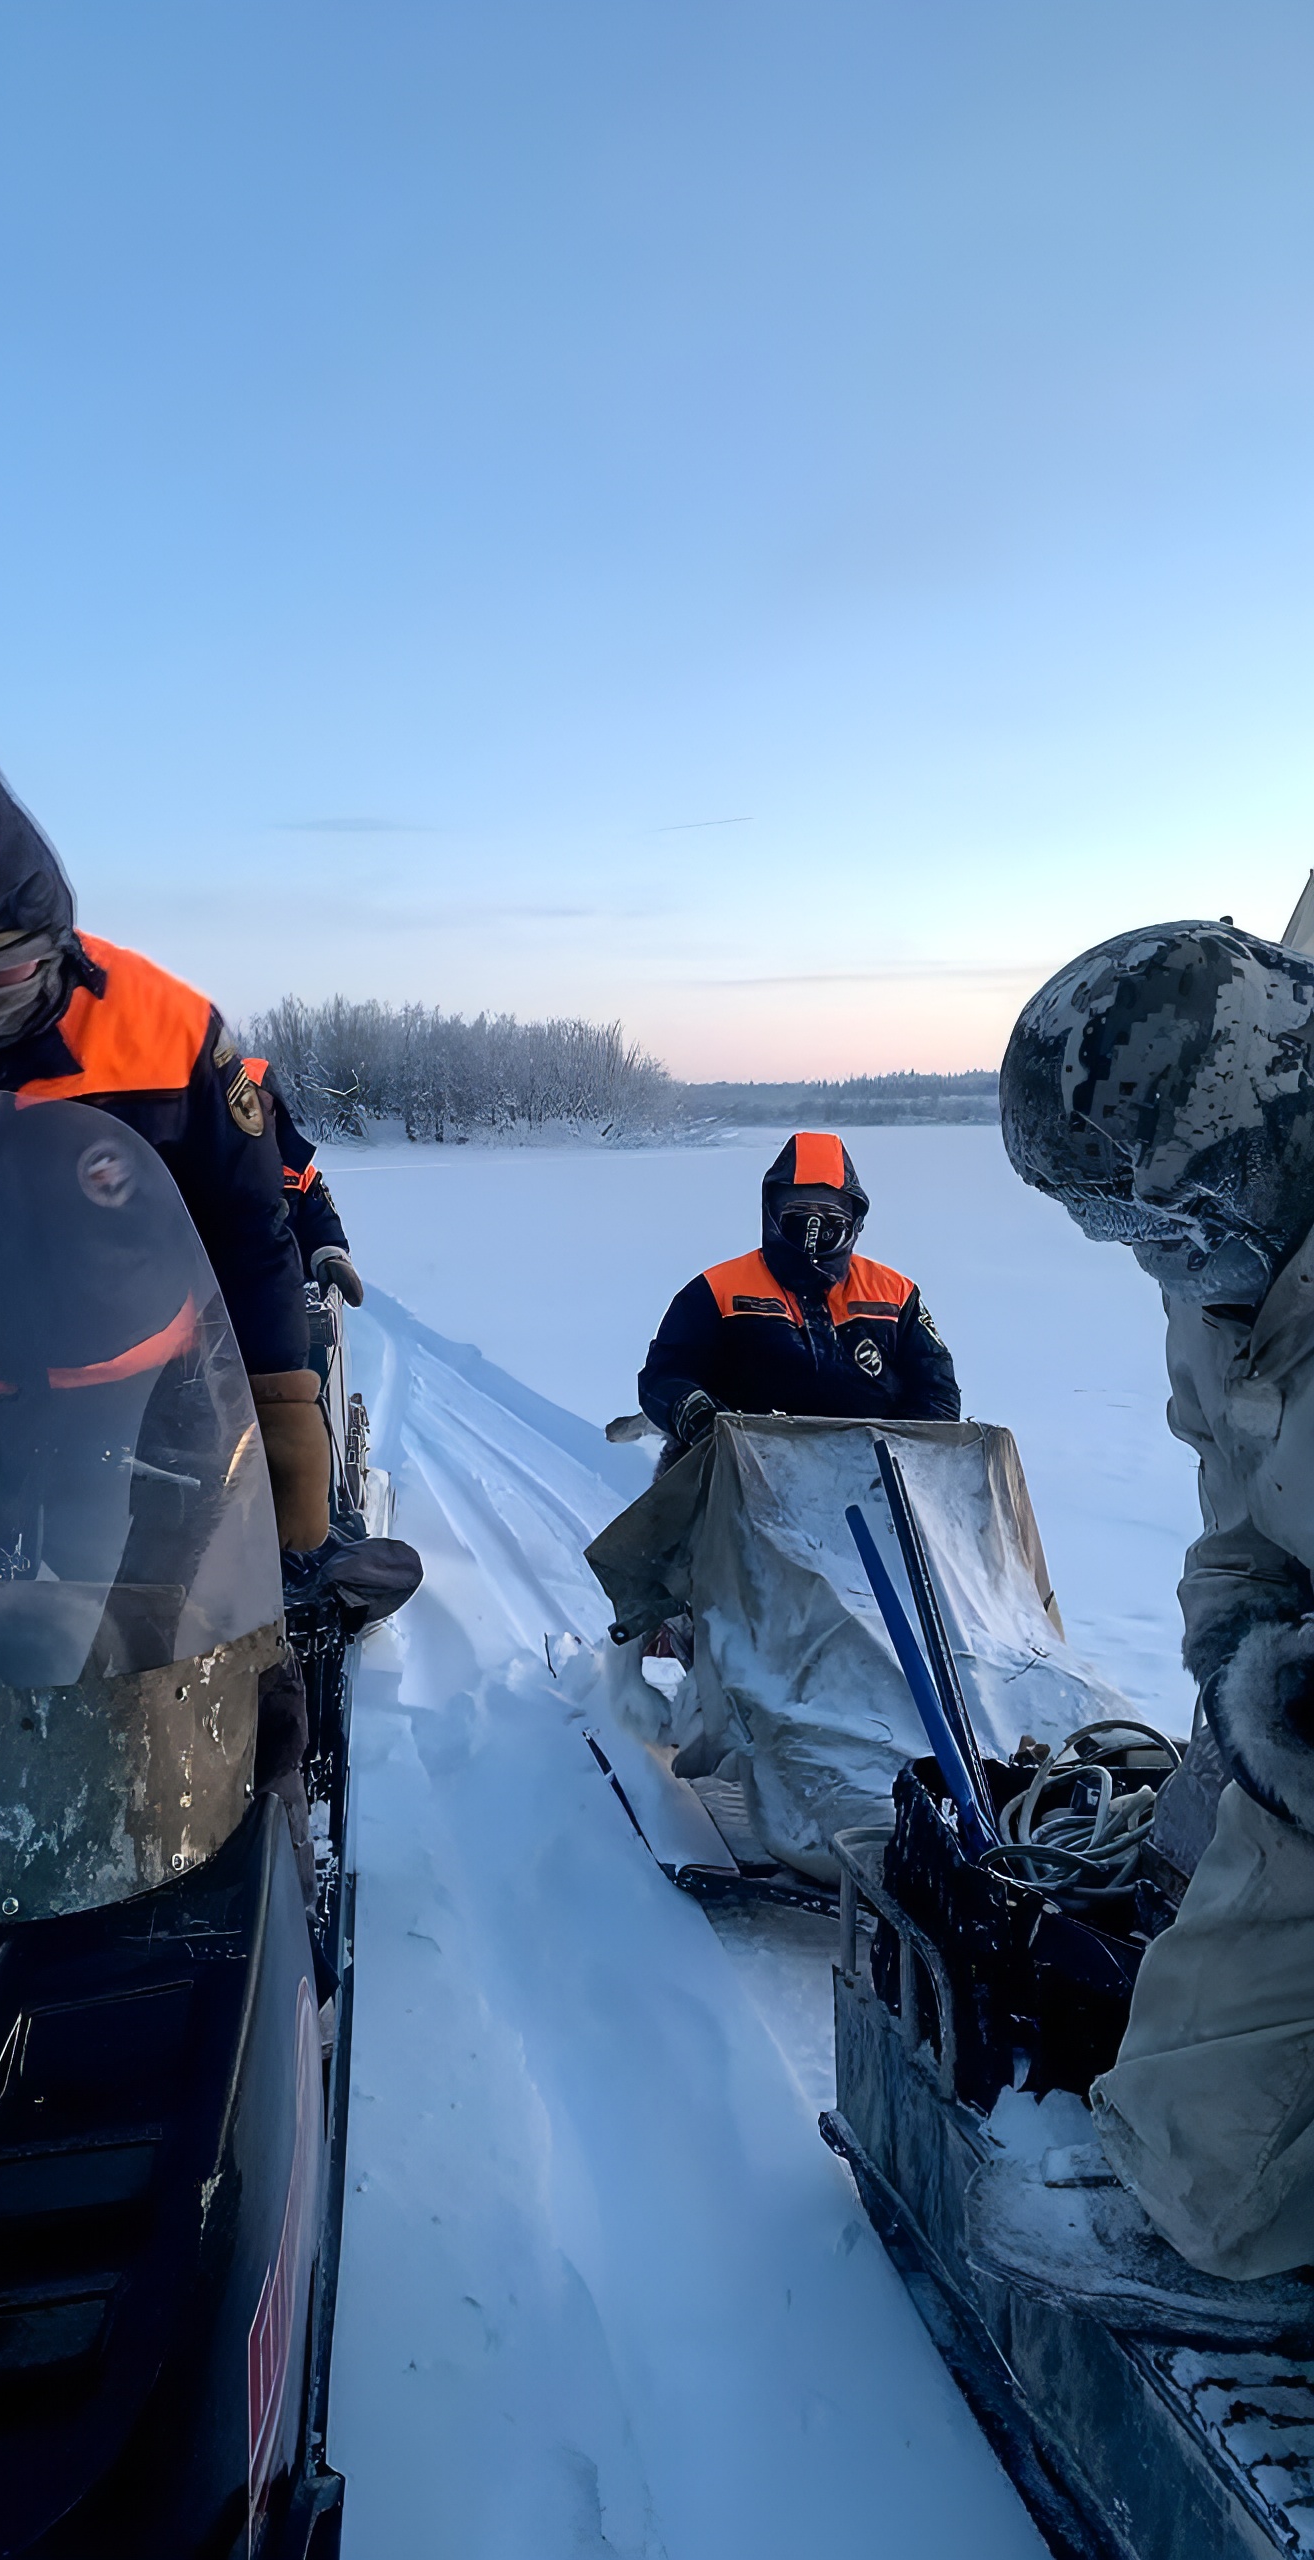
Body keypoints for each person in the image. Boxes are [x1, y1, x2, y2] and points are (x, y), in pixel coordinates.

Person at [1002, 917, 1314, 2279]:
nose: (1147, 1259)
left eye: (1156, 1220)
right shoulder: (1223, 1295)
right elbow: (1240, 1529)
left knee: (1219, 2179)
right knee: (1200, 2164)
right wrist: (1248, 1661)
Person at [0, 754, 328, 1553]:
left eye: (10, 968)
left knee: (146, 1651)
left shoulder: (168, 1030)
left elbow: (248, 1230)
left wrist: (282, 1411)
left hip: (135, 1403)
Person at [638, 1129, 959, 1464]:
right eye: (799, 1215)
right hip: (739, 1471)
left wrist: (910, 1454)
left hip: (873, 1475)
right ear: (773, 1213)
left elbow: (936, 1387)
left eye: (830, 1217)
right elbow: (662, 1376)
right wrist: (693, 1412)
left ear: (853, 1221)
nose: (814, 1230)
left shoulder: (896, 1293)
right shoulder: (715, 1290)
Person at [243, 1056, 363, 1305]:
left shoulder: (300, 1175)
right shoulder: (204, 1173)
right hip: (221, 1315)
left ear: (276, 1111)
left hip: (288, 1305)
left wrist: (330, 1259)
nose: (256, 1116)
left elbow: (322, 1228)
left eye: (263, 1104)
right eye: (245, 1106)